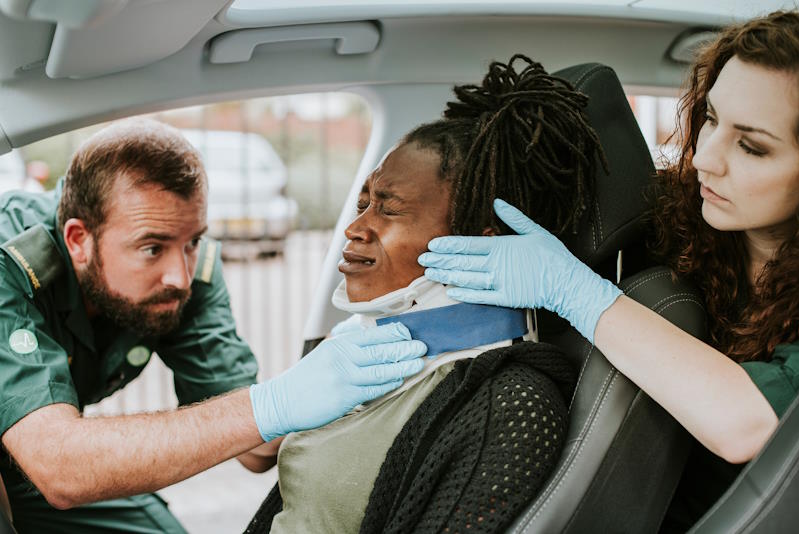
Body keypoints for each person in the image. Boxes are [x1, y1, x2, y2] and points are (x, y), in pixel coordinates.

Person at [419, 10, 799, 530]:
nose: (704, 158)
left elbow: (748, 424)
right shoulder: (668, 218)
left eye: (751, 146)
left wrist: (575, 291)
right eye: (710, 118)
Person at [0, 118, 427, 533]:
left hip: (40, 467)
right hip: (42, 461)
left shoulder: (187, 272)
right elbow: (61, 467)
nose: (180, 277)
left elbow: (257, 447)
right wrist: (271, 404)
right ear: (78, 240)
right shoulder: (9, 262)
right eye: (152, 248)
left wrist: (326, 381)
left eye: (192, 242)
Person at [245, 55, 603, 533]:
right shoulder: (354, 343)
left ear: (479, 239)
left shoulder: (512, 403)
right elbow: (256, 452)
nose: (355, 228)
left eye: (388, 210)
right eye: (363, 204)